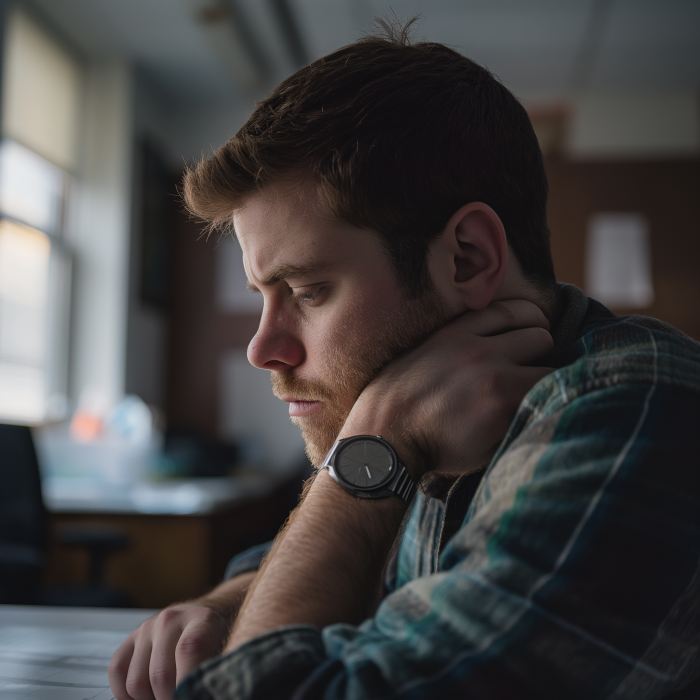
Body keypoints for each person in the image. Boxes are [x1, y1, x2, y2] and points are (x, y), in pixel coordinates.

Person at [109, 19, 700, 700]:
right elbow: (316, 557)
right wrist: (228, 604)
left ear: (467, 258)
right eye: (261, 296)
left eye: (306, 291)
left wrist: (369, 456)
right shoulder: (447, 405)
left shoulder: (629, 411)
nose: (262, 348)